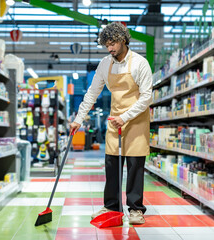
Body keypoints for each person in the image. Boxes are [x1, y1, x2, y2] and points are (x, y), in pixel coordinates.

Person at [69, 22, 152, 224]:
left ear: (123, 39)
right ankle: (111, 206)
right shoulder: (105, 64)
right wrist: (78, 119)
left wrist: (125, 117)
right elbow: (92, 93)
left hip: (136, 120)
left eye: (113, 43)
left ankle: (135, 209)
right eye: (106, 45)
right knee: (112, 164)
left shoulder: (140, 63)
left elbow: (146, 97)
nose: (110, 48)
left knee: (135, 166)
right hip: (115, 121)